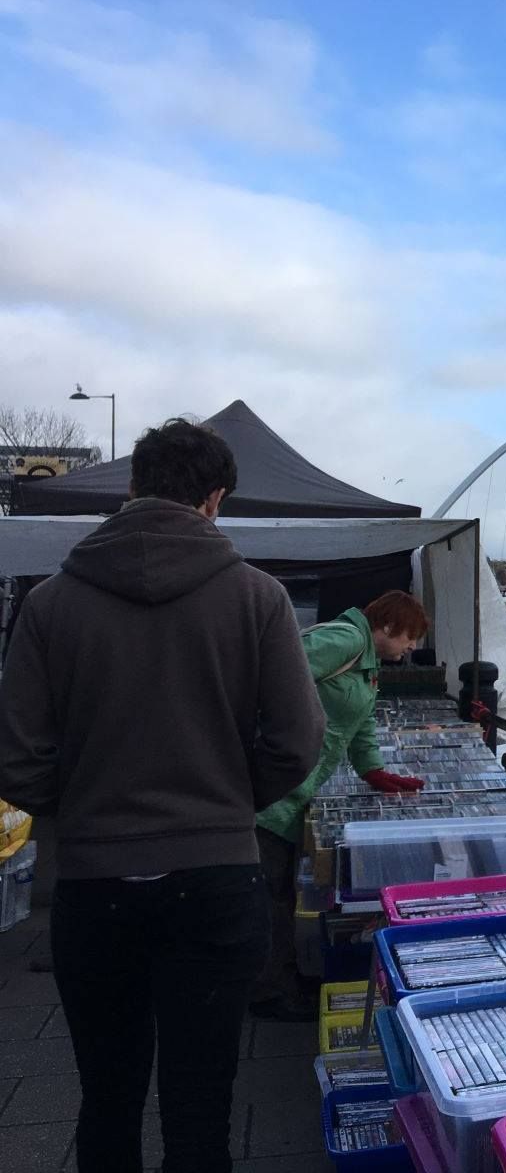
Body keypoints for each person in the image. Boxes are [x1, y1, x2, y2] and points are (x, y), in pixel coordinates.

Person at [0, 417, 324, 1173]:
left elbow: (16, 758)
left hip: (92, 884)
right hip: (217, 879)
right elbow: (297, 743)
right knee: (200, 1107)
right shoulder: (260, 599)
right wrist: (226, 802)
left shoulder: (49, 604)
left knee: (106, 1098)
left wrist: (83, 807)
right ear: (215, 500)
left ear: (133, 488)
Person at [251, 590, 429, 1019]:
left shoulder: (367, 664)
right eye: (409, 637)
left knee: (278, 893)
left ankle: (283, 979)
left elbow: (361, 723)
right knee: (266, 898)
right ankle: (268, 994)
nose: (411, 648)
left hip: (295, 788)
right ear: (387, 626)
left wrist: (374, 772)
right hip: (269, 790)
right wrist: (288, 739)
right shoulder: (345, 640)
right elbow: (274, 676)